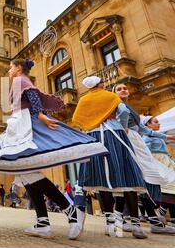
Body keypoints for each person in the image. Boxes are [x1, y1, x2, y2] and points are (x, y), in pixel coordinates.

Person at [0, 59, 108, 240]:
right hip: (19, 124)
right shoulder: (20, 80)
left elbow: (32, 97)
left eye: (11, 67)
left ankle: (70, 212)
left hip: (25, 125)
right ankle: (43, 222)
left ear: (19, 68)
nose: (9, 71)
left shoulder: (19, 80)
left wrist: (40, 116)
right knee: (25, 171)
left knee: (25, 170)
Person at [73, 76, 148, 239]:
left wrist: (91, 124)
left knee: (100, 179)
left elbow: (77, 119)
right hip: (115, 134)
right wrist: (122, 126)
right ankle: (135, 224)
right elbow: (124, 111)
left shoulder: (84, 100)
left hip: (93, 136)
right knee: (127, 175)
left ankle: (110, 224)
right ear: (100, 84)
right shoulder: (110, 96)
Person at [113, 83, 175, 234]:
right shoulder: (114, 105)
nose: (123, 90)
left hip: (137, 143)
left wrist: (166, 136)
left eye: (125, 88)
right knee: (137, 180)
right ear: (113, 93)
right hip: (126, 142)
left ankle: (120, 218)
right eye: (119, 89)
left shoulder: (131, 107)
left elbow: (144, 130)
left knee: (140, 181)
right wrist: (122, 128)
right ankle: (121, 219)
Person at [143, 115, 175, 226]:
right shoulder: (148, 137)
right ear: (148, 124)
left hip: (166, 162)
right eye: (155, 122)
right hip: (159, 162)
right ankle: (160, 211)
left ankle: (162, 211)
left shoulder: (158, 137)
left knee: (170, 187)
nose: (159, 123)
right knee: (167, 187)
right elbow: (146, 150)